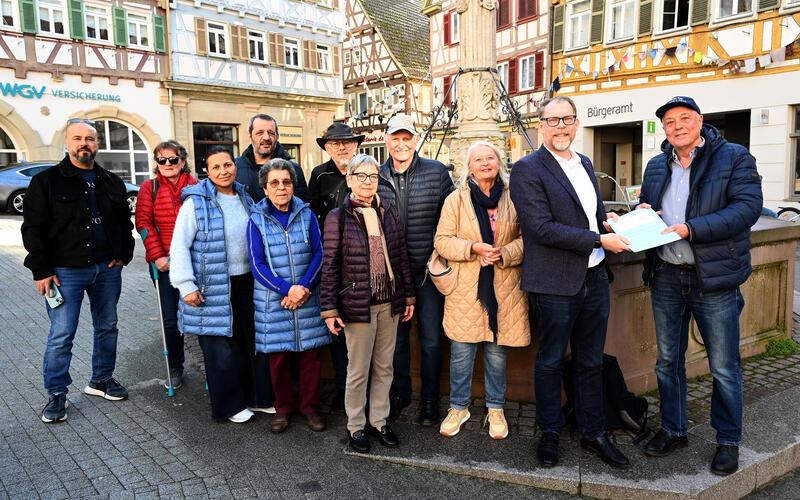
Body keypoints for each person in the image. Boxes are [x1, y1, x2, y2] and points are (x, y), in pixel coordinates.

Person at [638, 96, 762, 476]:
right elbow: (648, 204)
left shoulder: (734, 157)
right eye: (669, 121)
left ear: (700, 121)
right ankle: (674, 429)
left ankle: (727, 440)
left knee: (724, 366)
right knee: (667, 360)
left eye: (684, 118)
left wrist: (693, 229)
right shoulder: (657, 165)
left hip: (714, 278)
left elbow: (747, 209)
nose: (676, 126)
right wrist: (643, 213)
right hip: (666, 276)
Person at [509, 96, 632, 469]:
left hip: (594, 277)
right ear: (541, 125)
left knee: (590, 360)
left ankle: (594, 432)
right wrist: (598, 240)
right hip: (555, 282)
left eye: (567, 119)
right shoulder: (527, 169)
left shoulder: (586, 163)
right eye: (553, 120)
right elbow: (540, 228)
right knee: (549, 361)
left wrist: (614, 222)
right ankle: (549, 432)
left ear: (577, 124)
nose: (561, 126)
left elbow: (592, 215)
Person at [22, 118, 135, 423]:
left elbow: (125, 223)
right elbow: (33, 229)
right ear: (67, 143)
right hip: (64, 271)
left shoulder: (111, 181)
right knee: (62, 334)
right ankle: (57, 393)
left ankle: (101, 380)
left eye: (90, 138)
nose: (84, 144)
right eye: (78, 139)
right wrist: (41, 270)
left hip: (107, 269)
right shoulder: (46, 182)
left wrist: (124, 254)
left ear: (98, 143)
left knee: (108, 325)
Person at [320, 154, 416, 454]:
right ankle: (356, 426)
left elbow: (400, 257)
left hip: (389, 302)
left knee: (385, 367)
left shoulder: (387, 211)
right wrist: (329, 308)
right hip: (357, 303)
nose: (367, 182)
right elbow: (330, 264)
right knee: (358, 369)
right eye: (360, 176)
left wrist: (409, 295)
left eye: (372, 176)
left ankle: (379, 420)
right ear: (349, 180)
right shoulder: (338, 217)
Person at [434, 141, 528, 440]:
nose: (485, 163)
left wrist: (505, 252)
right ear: (469, 167)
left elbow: (529, 238)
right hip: (466, 288)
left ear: (499, 163)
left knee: (497, 353)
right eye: (478, 160)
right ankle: (459, 406)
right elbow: (442, 241)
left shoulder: (516, 198)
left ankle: (495, 408)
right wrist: (473, 248)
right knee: (462, 352)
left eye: (490, 158)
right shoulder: (455, 200)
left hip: (504, 287)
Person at [170, 146, 260, 423]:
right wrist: (186, 285)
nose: (224, 171)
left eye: (228, 165)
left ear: (235, 166)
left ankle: (249, 397)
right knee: (219, 348)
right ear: (206, 172)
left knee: (245, 343)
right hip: (212, 287)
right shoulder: (195, 203)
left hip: (244, 281)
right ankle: (229, 407)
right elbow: (179, 245)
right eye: (216, 167)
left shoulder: (245, 197)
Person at [377, 114, 454, 426]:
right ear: (386, 140)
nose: (401, 143)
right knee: (395, 342)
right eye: (395, 137)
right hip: (391, 274)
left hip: (427, 272)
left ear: (416, 139)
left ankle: (430, 400)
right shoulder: (376, 176)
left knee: (432, 339)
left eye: (406, 137)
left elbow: (454, 216)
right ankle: (399, 395)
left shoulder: (436, 173)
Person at [248, 159, 331, 434]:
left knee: (311, 356)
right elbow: (256, 264)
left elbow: (320, 253)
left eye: (286, 182)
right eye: (274, 182)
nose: (281, 187)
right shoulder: (256, 220)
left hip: (306, 295)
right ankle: (283, 409)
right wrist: (288, 290)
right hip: (275, 301)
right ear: (264, 187)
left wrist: (304, 287)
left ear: (293, 185)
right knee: (279, 359)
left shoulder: (307, 215)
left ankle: (309, 408)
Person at [307, 122, 364, 408]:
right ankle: (344, 390)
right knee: (336, 330)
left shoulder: (366, 170)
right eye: (335, 143)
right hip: (332, 264)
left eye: (347, 142)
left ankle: (363, 393)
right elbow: (312, 219)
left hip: (362, 265)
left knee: (362, 332)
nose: (342, 147)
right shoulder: (319, 175)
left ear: (356, 145)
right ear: (327, 147)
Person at [135, 140, 197, 389]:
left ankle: (210, 367)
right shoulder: (149, 188)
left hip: (194, 261)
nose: (168, 164)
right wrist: (158, 255)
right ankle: (176, 366)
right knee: (170, 319)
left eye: (173, 159)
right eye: (162, 160)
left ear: (182, 161)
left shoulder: (197, 186)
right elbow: (143, 223)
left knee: (200, 316)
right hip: (164, 263)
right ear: (156, 163)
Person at [236, 114, 307, 203]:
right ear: (250, 136)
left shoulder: (294, 169)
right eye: (260, 133)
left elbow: (300, 207)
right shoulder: (235, 168)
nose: (266, 137)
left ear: (277, 136)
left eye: (271, 133)